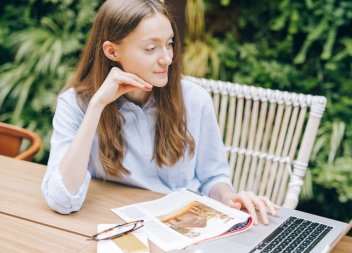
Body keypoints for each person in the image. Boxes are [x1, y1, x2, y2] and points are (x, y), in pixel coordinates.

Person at [41, 0, 281, 225]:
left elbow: (213, 178)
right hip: (114, 223)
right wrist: (97, 106)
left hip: (187, 226)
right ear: (112, 52)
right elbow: (62, 200)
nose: (167, 58)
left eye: (170, 43)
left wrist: (228, 197)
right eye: (151, 48)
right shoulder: (76, 105)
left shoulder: (195, 100)